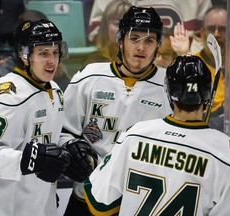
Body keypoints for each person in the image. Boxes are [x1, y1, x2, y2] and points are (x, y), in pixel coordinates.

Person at [84, 55, 230, 215]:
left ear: (168, 90)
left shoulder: (136, 135)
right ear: (208, 94)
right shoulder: (229, 155)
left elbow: (99, 204)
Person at [60, 6, 172, 215]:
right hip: (87, 194)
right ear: (121, 41)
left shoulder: (169, 87)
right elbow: (63, 130)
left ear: (158, 45)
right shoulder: (90, 77)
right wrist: (71, 147)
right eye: (134, 38)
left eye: (149, 40)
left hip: (139, 202)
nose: (141, 47)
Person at [0, 19, 74, 216]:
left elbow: (47, 140)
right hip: (0, 207)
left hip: (35, 203)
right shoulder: (6, 94)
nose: (52, 61)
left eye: (55, 52)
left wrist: (70, 146)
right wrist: (28, 159)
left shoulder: (55, 90)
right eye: (43, 53)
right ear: (25, 56)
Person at [88, 0, 212, 53]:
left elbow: (204, 39)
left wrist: (183, 60)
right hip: (126, 70)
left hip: (177, 67)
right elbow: (100, 36)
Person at [195, 6, 230, 131]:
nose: (216, 34)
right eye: (211, 29)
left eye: (222, 29)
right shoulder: (192, 65)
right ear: (201, 32)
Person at [83, 0, 132, 66]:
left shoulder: (144, 62)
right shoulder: (93, 65)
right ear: (105, 28)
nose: (123, 29)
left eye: (129, 24)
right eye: (117, 23)